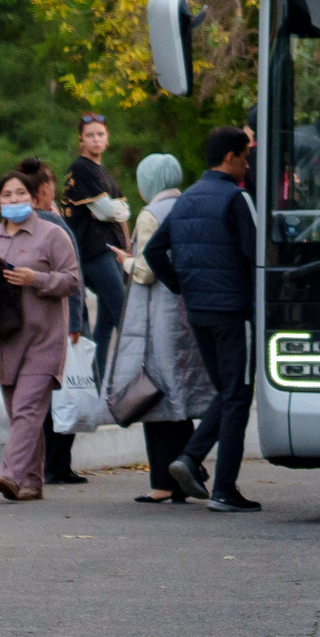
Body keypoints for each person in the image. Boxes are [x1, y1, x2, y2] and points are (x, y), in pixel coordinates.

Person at [145, 126, 262, 513]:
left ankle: (189, 459)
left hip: (199, 312)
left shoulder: (187, 199)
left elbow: (153, 251)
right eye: (244, 156)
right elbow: (257, 257)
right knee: (238, 395)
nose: (247, 163)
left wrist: (182, 287)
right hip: (234, 311)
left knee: (227, 392)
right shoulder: (237, 198)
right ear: (230, 157)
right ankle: (224, 488)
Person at [107, 153, 214, 506]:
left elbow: (150, 269)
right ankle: (184, 473)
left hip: (158, 315)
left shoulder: (152, 213)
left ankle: (163, 484)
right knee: (178, 395)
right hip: (189, 310)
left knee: (154, 394)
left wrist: (126, 261)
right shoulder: (187, 205)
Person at [0, 167, 83, 501]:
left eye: (20, 194)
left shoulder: (52, 234)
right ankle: (32, 482)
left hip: (45, 339)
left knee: (27, 410)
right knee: (22, 414)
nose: (14, 200)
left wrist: (35, 279)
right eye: (7, 195)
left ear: (33, 197)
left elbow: (72, 281)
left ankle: (8, 475)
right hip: (6, 339)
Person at [22, 159, 89, 485]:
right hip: (61, 323)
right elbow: (73, 279)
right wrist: (77, 323)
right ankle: (58, 465)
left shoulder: (16, 225)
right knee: (65, 395)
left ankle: (46, 463)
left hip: (28, 326)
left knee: (39, 397)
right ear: (44, 189)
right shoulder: (54, 224)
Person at [63, 114, 133, 387]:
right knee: (125, 315)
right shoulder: (82, 169)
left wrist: (116, 210)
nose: (96, 139)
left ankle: (100, 384)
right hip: (94, 253)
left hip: (109, 250)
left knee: (105, 323)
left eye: (100, 134)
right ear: (81, 139)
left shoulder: (100, 169)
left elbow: (118, 210)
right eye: (90, 134)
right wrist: (115, 210)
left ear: (108, 137)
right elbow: (106, 210)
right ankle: (134, 382)